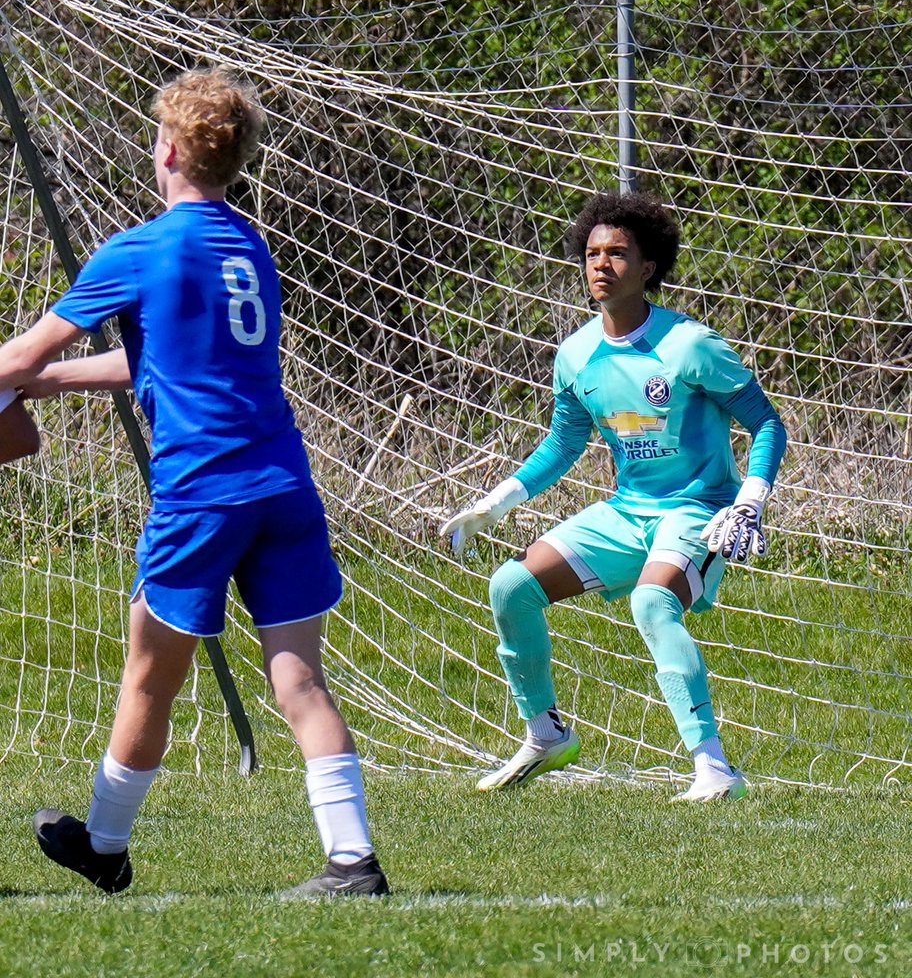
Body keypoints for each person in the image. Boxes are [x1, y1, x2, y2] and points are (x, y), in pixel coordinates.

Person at [0, 67, 388, 896]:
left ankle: (105, 843)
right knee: (299, 677)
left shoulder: (139, 249)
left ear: (168, 148)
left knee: (150, 671)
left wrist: (29, 375)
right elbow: (175, 361)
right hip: (283, 482)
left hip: (202, 491)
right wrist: (57, 384)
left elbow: (19, 357)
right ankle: (353, 860)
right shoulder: (250, 244)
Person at [441, 190, 787, 801]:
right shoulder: (575, 355)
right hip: (628, 513)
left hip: (700, 512)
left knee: (654, 604)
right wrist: (496, 503)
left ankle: (713, 768)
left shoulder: (691, 345)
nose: (601, 264)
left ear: (648, 268)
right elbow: (562, 444)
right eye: (593, 253)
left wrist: (751, 498)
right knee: (510, 587)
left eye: (619, 253)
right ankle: (545, 733)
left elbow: (766, 422)